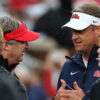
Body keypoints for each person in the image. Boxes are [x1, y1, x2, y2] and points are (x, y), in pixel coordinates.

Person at [54, 2, 100, 100]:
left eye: (80, 31)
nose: (74, 37)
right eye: (73, 31)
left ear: (97, 30)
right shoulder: (68, 66)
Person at [0, 16, 40, 100]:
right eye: (23, 41)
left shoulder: (8, 77)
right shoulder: (8, 83)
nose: (27, 46)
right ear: (6, 45)